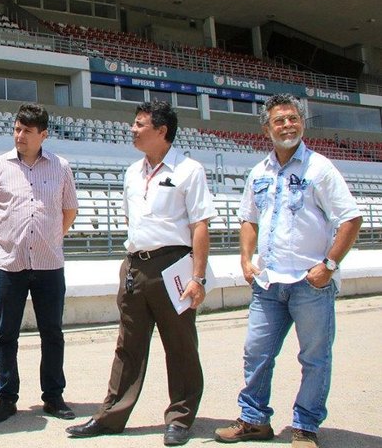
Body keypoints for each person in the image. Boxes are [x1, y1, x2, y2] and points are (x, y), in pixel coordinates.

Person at [214, 94, 362, 448]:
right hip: (269, 282)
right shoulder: (259, 172)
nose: (287, 125)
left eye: (293, 119)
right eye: (279, 120)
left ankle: (305, 427)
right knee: (256, 352)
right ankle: (254, 420)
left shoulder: (320, 168)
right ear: (267, 128)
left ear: (302, 123)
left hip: (311, 283)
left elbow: (351, 219)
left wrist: (328, 265)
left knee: (313, 357)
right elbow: (248, 218)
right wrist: (246, 259)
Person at [66, 100, 215, 446]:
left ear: (161, 131)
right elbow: (130, 221)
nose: (132, 129)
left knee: (179, 345)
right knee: (127, 345)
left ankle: (179, 418)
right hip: (135, 266)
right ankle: (110, 416)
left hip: (173, 265)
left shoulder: (189, 170)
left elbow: (200, 226)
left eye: (139, 124)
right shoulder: (132, 172)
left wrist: (198, 277)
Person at [0, 102, 78, 423]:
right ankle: (6, 397)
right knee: (6, 334)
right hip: (9, 264)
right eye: (17, 129)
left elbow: (69, 211)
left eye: (27, 131)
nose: (19, 135)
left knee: (52, 333)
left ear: (43, 134)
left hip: (50, 265)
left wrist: (50, 239)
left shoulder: (61, 167)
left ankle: (53, 396)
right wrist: (5, 237)